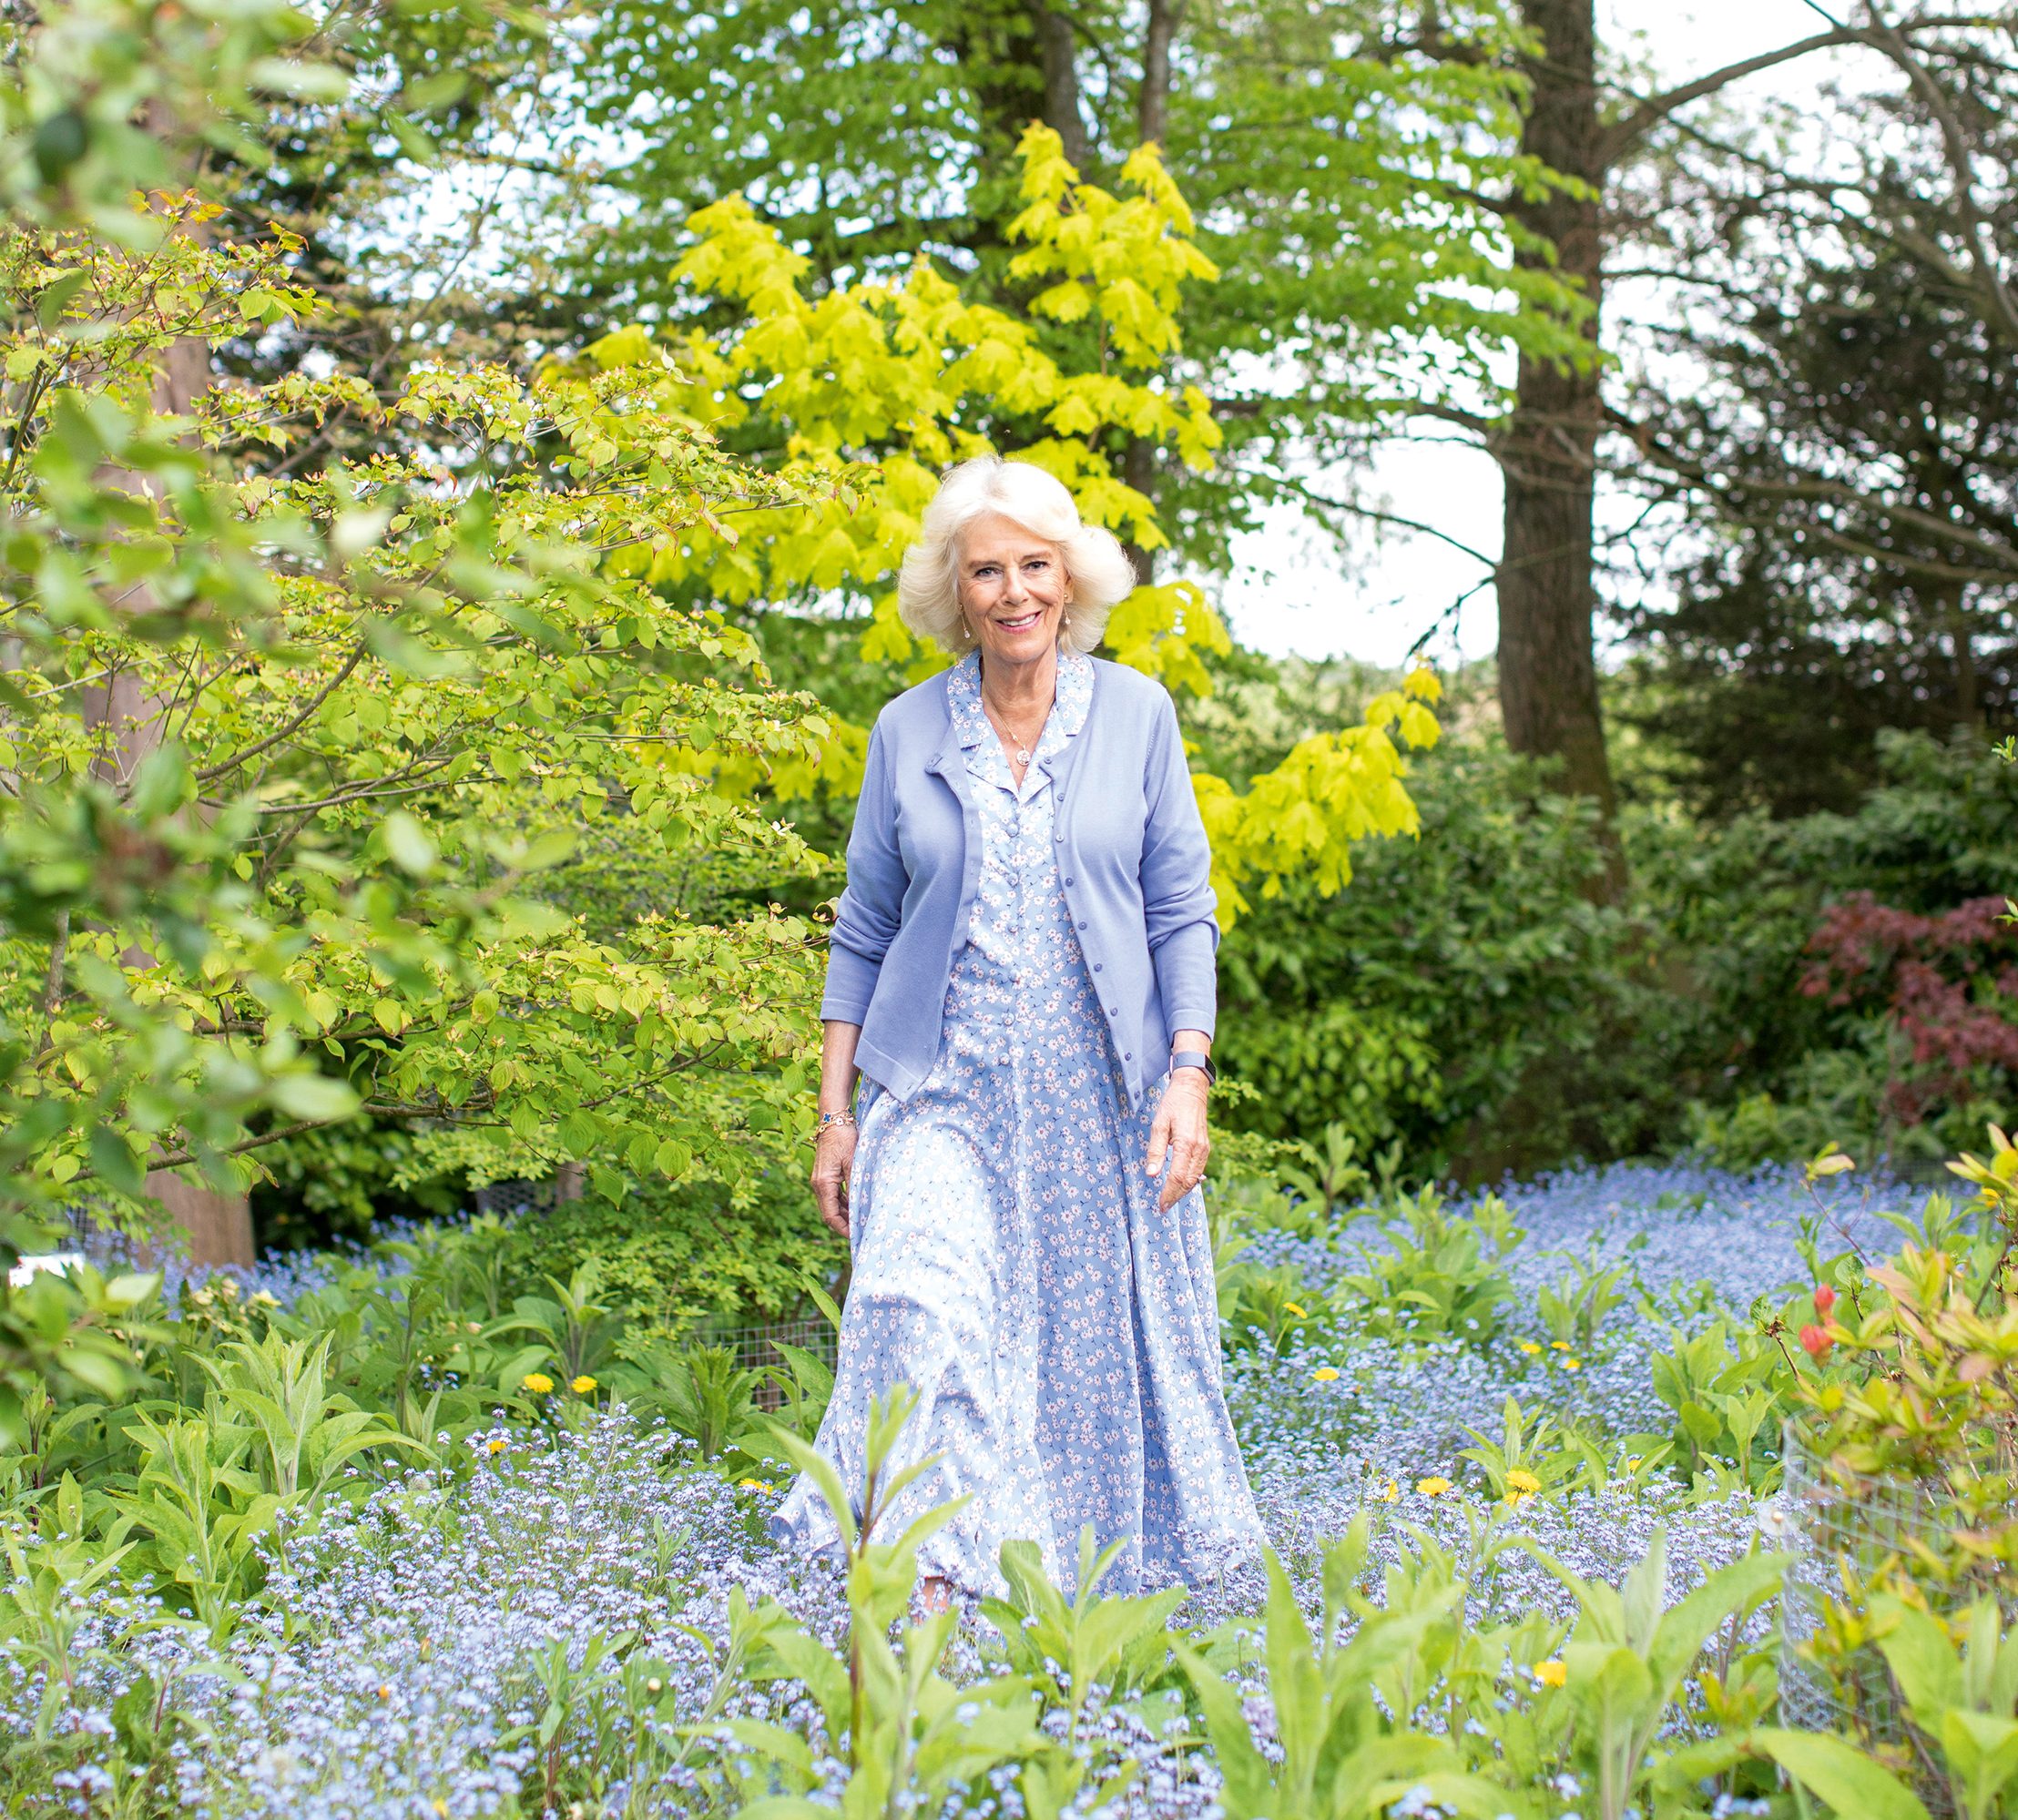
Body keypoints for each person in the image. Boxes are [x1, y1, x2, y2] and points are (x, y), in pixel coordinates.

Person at [770, 455, 1264, 1606]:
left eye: (1032, 566)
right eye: (985, 571)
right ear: (957, 594)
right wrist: (835, 1116)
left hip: (1103, 1096)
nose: (1011, 592)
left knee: (1085, 1364)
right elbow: (863, 929)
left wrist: (1186, 1074)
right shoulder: (903, 731)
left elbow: (1181, 910)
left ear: (1069, 579)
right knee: (914, 1297)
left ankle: (1065, 1595)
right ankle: (926, 1576)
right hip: (940, 1089)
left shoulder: (1137, 715)